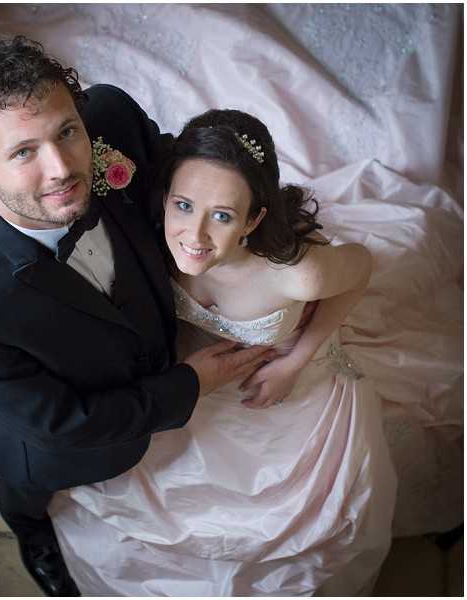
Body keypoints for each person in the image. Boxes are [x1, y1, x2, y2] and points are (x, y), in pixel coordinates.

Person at [0, 37, 276, 596]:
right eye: (22, 152)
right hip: (50, 440)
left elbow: (174, 182)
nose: (62, 168)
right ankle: (27, 524)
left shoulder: (110, 117)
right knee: (24, 484)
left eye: (67, 132)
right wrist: (191, 383)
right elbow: (66, 423)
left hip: (139, 334)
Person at [49, 110, 398, 596]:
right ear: (166, 197)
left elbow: (361, 270)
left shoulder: (297, 273)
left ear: (255, 218)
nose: (194, 237)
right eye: (184, 205)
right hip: (187, 379)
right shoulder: (149, 236)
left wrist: (294, 362)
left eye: (223, 216)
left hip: (278, 393)